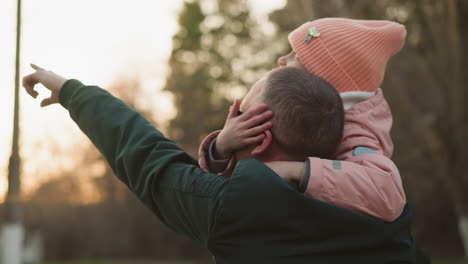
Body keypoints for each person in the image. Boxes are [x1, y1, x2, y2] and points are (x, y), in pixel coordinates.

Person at [23, 65, 424, 263]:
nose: (231, 116)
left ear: (260, 135)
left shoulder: (233, 209)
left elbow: (147, 157)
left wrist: (71, 92)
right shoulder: (383, 193)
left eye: (242, 110)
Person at [198, 18, 407, 222]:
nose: (282, 59)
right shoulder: (305, 113)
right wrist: (221, 147)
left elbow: (386, 193)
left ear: (320, 77)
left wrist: (295, 171)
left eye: (295, 55)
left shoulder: (355, 132)